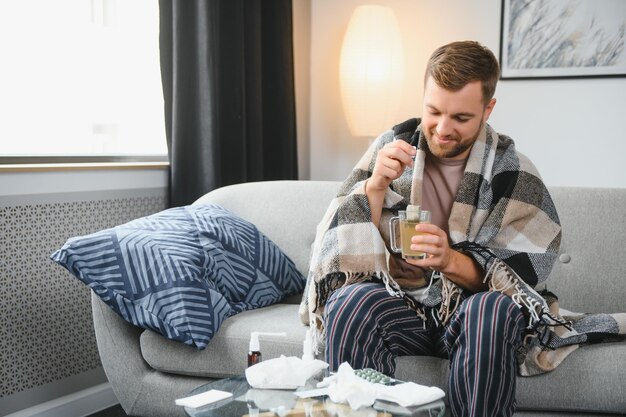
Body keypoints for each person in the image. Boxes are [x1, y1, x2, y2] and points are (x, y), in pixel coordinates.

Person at [301, 40, 563, 417]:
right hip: (404, 307)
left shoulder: (514, 173)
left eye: (460, 118)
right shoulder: (393, 147)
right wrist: (374, 188)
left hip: (470, 310)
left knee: (492, 310)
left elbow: (520, 280)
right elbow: (338, 244)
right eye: (434, 111)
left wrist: (448, 260)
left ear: (488, 109)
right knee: (350, 303)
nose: (442, 129)